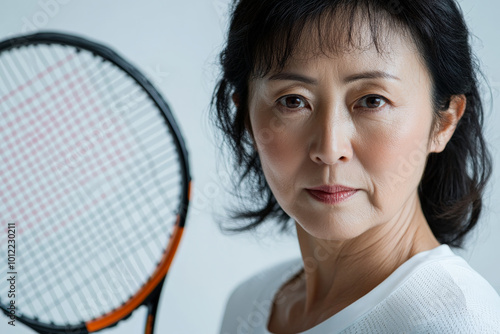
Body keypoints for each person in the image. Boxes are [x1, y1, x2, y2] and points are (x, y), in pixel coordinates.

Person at [210, 0, 500, 333]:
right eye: (293, 101)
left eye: (372, 101)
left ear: (444, 122)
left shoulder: (456, 323)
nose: (330, 149)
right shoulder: (247, 304)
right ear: (247, 116)